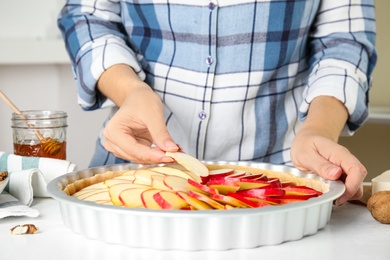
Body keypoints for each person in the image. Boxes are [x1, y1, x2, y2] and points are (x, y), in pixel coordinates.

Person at [57, 1, 376, 206]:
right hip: (134, 170)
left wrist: (319, 128)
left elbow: (345, 42)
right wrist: (130, 92)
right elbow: (86, 15)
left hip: (280, 179)